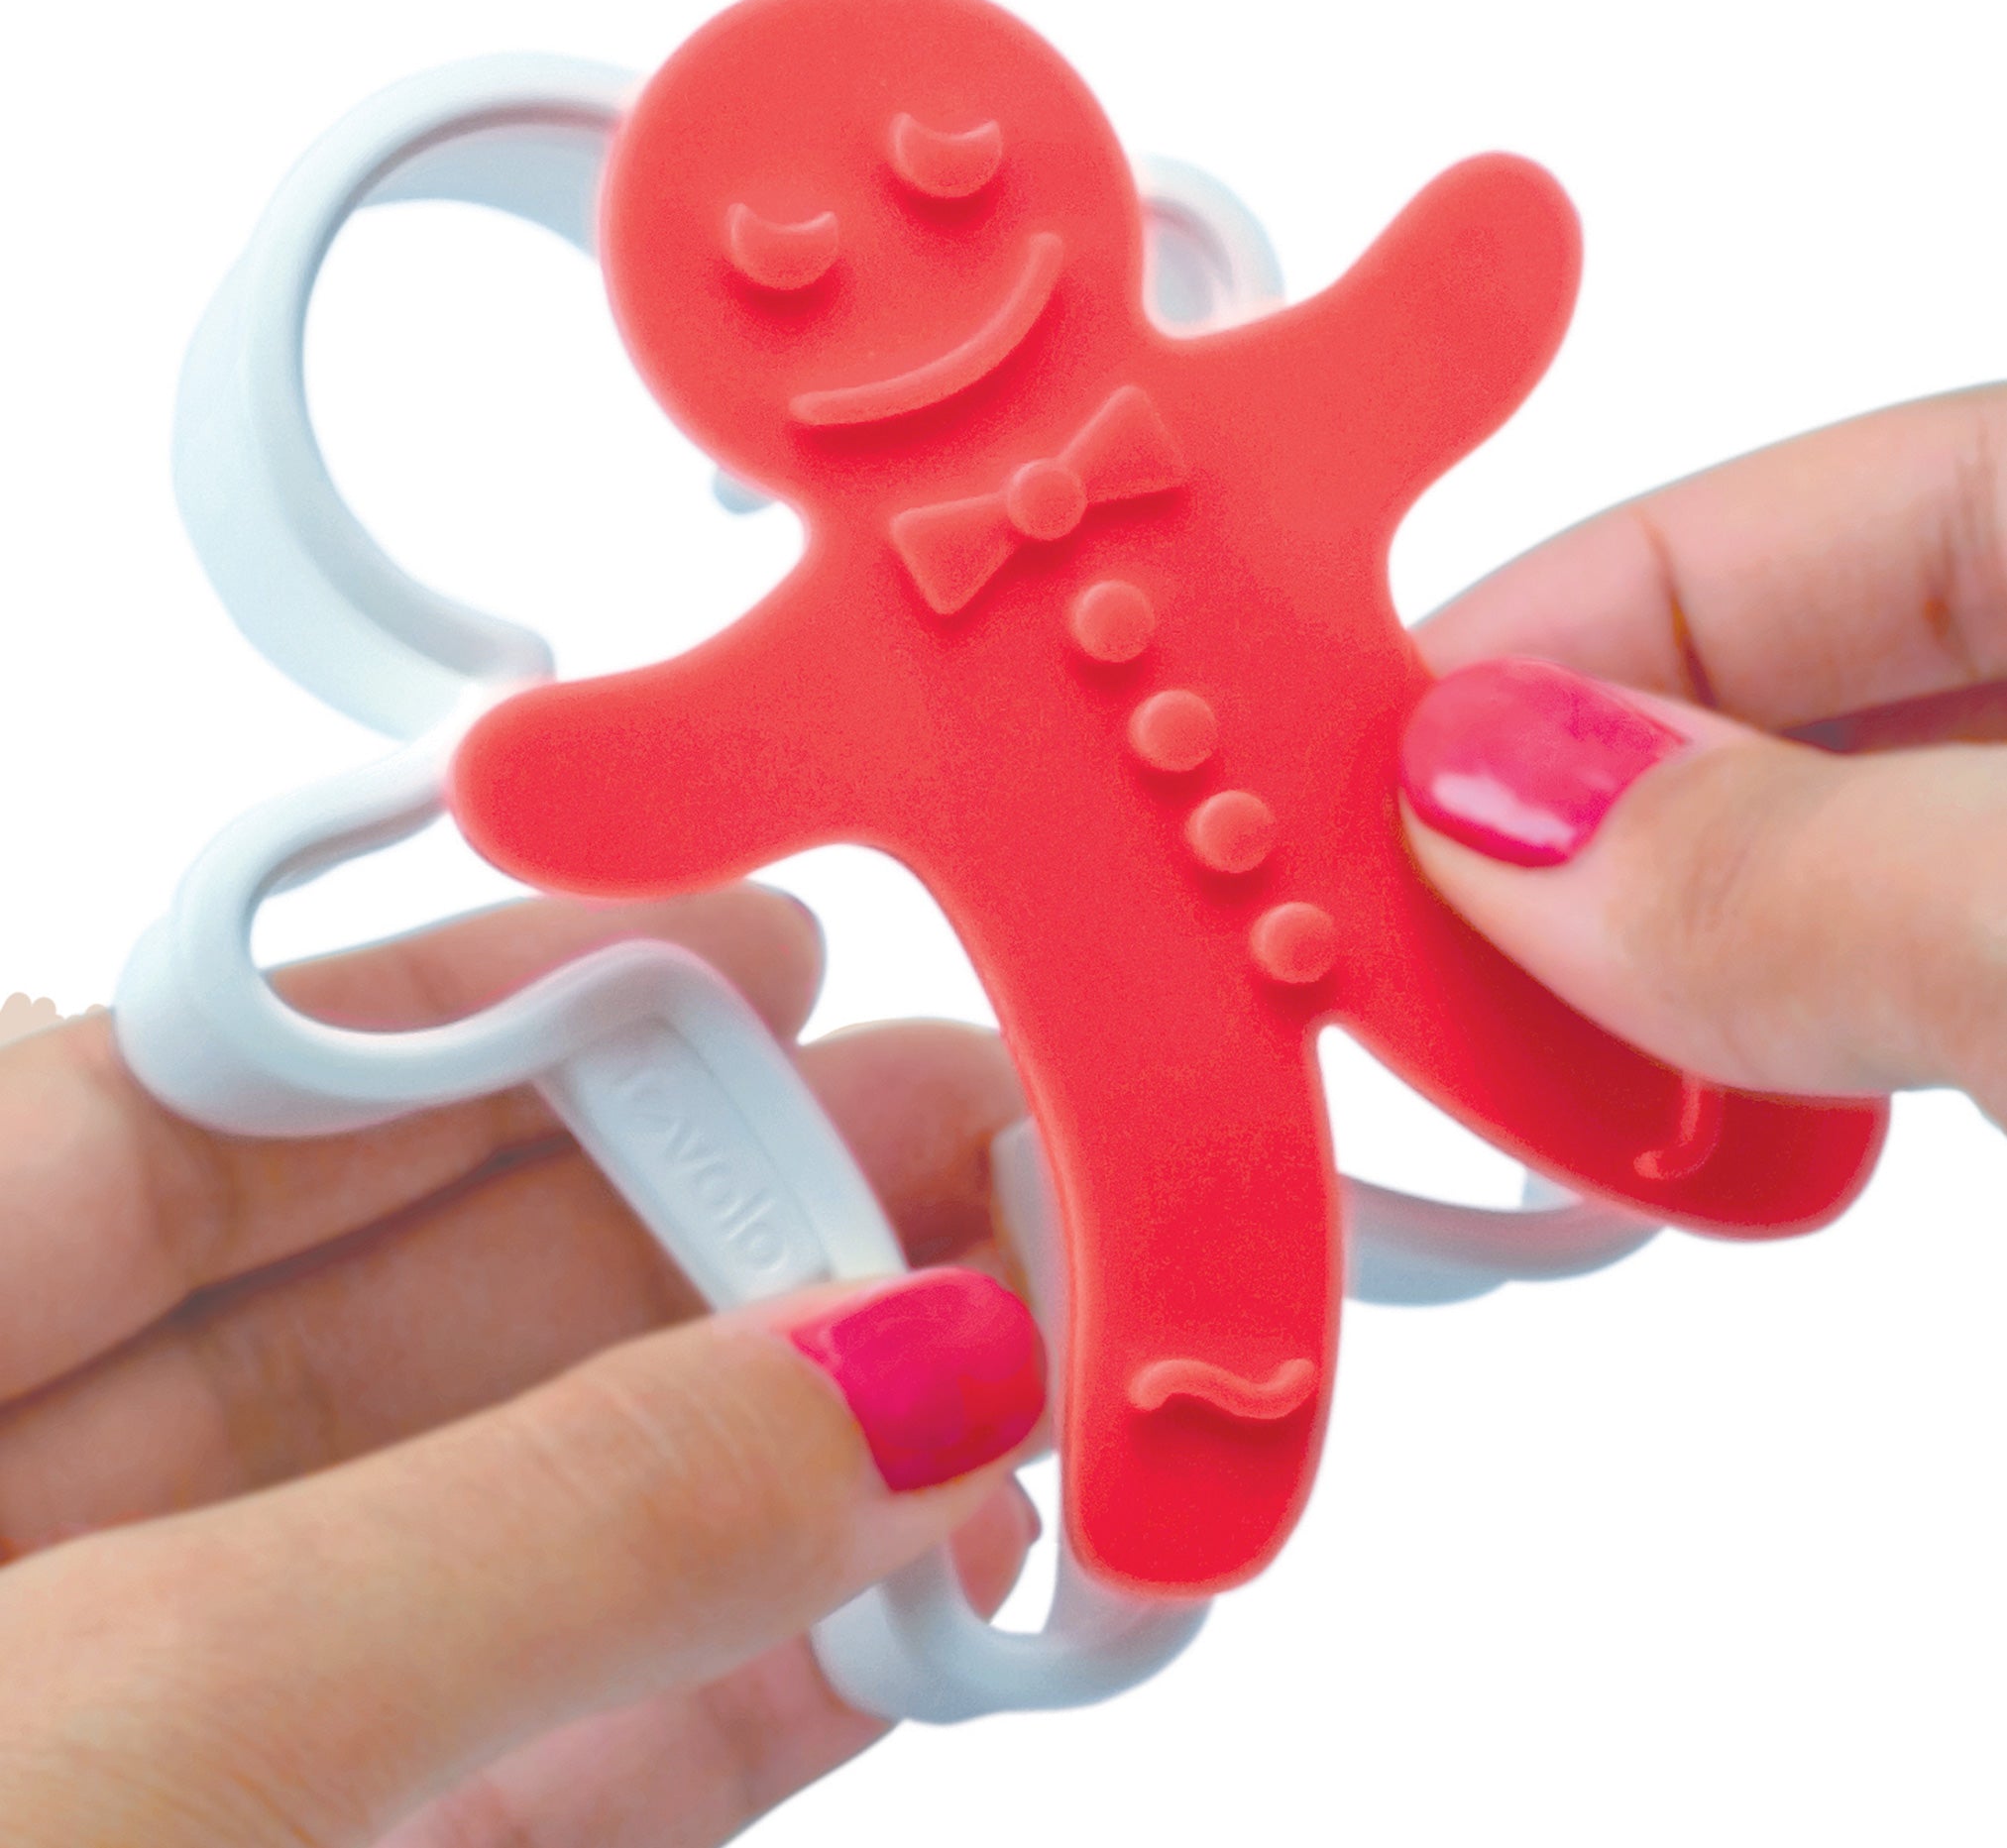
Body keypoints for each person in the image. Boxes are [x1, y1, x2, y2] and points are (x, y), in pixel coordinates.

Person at [0, 385, 1999, 1843]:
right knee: (1185, 1221)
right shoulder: (875, 605)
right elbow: (664, 769)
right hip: (1142, 1013)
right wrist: (550, 756)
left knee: (1534, 1067)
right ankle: (1197, 1431)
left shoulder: (1187, 415)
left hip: (1397, 843)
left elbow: (1428, 334)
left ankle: (1723, 1104)